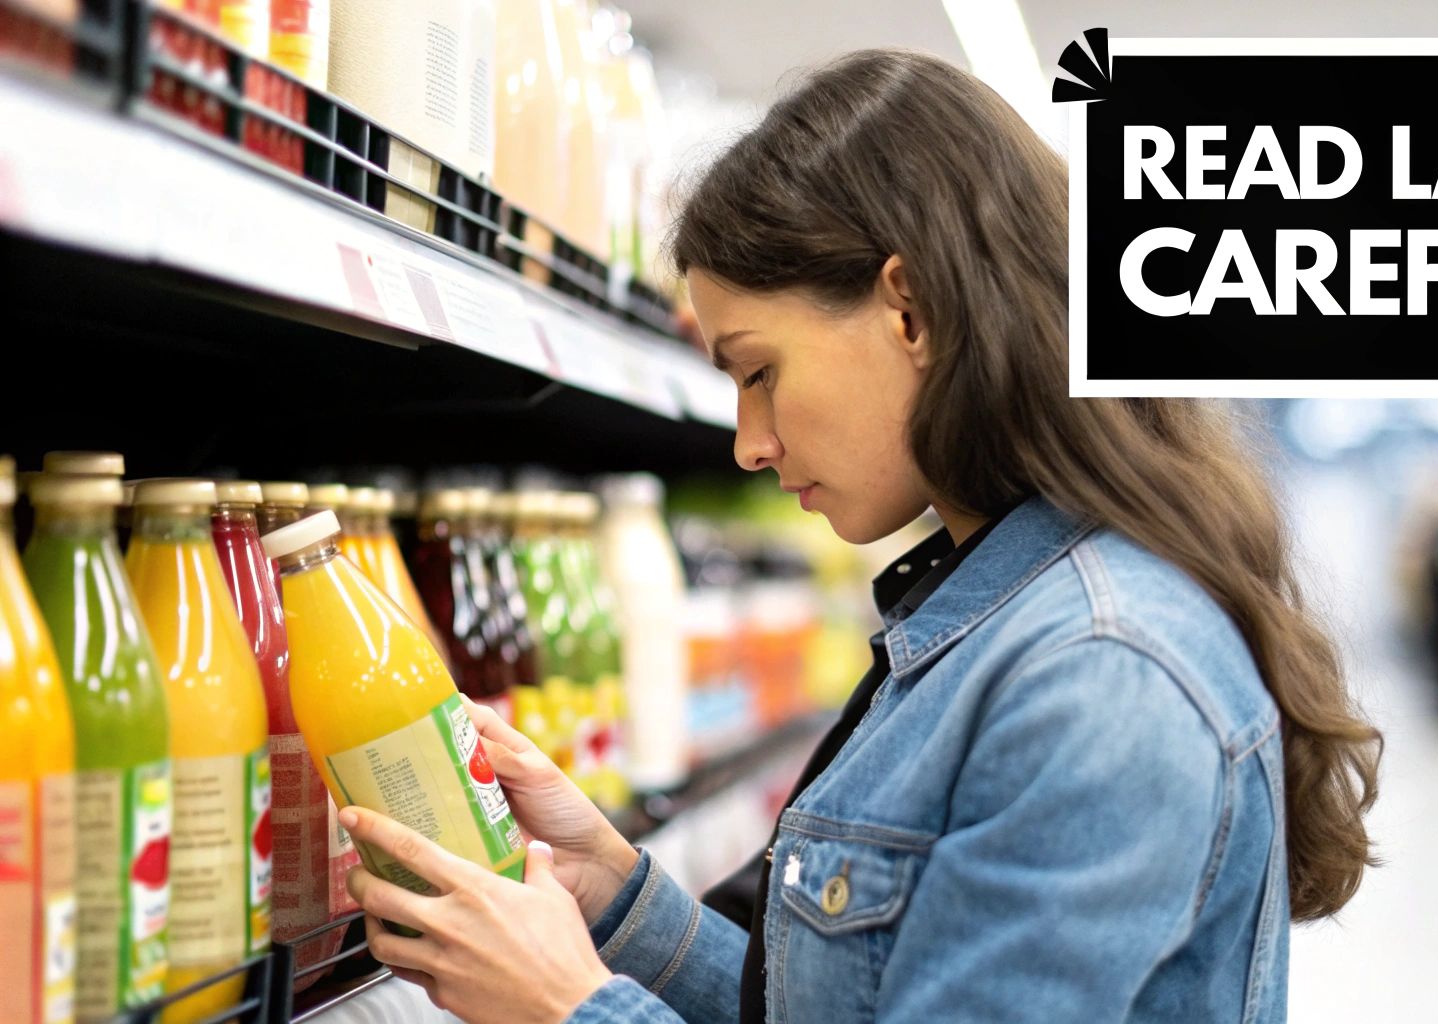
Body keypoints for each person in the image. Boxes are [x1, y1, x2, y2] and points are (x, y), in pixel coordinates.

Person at [336, 49, 1382, 1023]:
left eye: (758, 372)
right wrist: (615, 891)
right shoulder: (1000, 615)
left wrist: (569, 1003)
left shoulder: (1099, 672)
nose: (748, 442)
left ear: (910, 310)